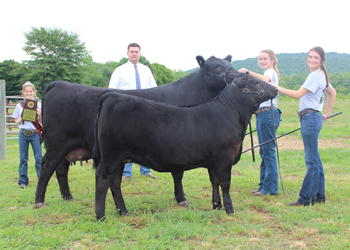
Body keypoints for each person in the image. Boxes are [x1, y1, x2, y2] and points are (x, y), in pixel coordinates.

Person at [273, 46, 336, 206]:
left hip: (310, 118)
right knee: (315, 158)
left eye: (315, 57)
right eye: (310, 57)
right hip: (313, 117)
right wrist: (326, 113)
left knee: (311, 160)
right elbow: (332, 92)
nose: (312, 60)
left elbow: (298, 94)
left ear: (321, 60)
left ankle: (305, 198)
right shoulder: (320, 74)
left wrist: (276, 87)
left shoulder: (315, 76)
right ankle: (319, 196)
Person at [109, 42, 158, 181]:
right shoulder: (119, 70)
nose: (134, 54)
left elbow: (154, 89)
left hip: (145, 109)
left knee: (146, 138)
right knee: (126, 140)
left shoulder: (146, 70)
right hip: (126, 110)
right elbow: (111, 90)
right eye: (132, 51)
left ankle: (146, 170)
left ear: (140, 53)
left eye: (136, 51)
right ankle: (126, 173)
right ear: (127, 53)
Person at [239, 50, 281, 196]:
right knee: (264, 151)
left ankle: (271, 187)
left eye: (265, 59)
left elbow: (266, 79)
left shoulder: (270, 72)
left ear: (272, 61)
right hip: (262, 115)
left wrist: (248, 72)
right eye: (261, 59)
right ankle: (263, 185)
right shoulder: (268, 71)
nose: (263, 61)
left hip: (268, 113)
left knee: (268, 151)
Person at [12, 81, 43, 189]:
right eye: (27, 91)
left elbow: (43, 121)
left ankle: (41, 180)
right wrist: (18, 120)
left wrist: (40, 114)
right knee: (23, 158)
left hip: (35, 134)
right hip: (23, 134)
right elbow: (15, 120)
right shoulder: (19, 105)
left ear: (34, 92)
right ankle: (23, 181)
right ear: (23, 92)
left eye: (30, 91)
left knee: (39, 158)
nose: (29, 93)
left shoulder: (38, 105)